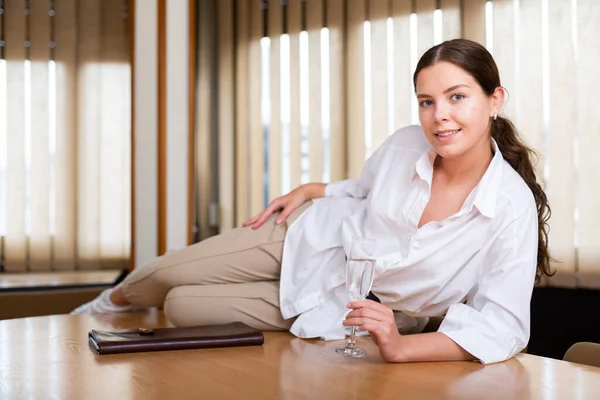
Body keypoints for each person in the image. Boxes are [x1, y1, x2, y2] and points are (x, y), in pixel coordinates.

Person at [72, 38, 552, 365]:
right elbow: (362, 189)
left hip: (347, 306)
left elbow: (503, 325)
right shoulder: (407, 143)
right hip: (308, 236)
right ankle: (98, 307)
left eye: (456, 97)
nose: (439, 116)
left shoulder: (510, 206)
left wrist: (402, 346)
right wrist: (311, 190)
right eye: (427, 101)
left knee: (181, 306)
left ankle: (134, 311)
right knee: (167, 273)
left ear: (494, 100)